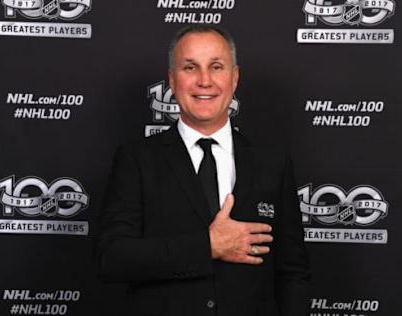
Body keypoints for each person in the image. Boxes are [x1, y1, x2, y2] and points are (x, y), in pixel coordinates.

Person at [96, 25, 311, 316]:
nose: (204, 81)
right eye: (190, 67)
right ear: (172, 80)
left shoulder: (272, 163)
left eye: (216, 67)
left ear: (234, 78)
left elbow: (293, 272)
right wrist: (207, 246)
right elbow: (112, 258)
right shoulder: (137, 160)